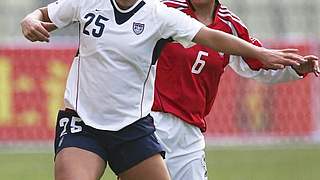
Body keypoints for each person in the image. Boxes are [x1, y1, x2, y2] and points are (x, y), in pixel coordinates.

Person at [20, 0, 309, 179]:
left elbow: (212, 38)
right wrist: (30, 20)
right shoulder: (88, 2)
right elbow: (44, 14)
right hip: (87, 122)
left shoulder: (159, 15)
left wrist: (266, 55)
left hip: (135, 130)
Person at [151, 0, 320, 180]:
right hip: (150, 124)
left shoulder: (231, 26)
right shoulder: (164, 10)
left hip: (189, 135)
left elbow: (257, 64)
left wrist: (295, 69)